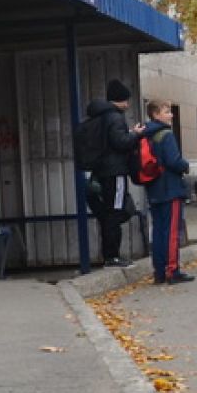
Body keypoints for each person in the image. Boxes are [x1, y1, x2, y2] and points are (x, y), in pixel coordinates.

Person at [81, 79, 141, 268]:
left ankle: (110, 255)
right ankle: (112, 256)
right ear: (121, 100)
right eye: (126, 100)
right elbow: (120, 142)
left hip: (102, 171)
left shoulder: (99, 117)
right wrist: (135, 135)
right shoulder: (115, 117)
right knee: (116, 212)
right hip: (116, 172)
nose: (128, 104)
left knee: (110, 211)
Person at [139, 99, 194, 285]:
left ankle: (159, 271)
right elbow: (173, 161)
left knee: (158, 231)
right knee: (171, 231)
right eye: (166, 111)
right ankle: (172, 270)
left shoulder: (145, 134)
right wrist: (185, 166)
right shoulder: (166, 134)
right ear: (156, 114)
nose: (171, 115)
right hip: (170, 188)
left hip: (153, 188)